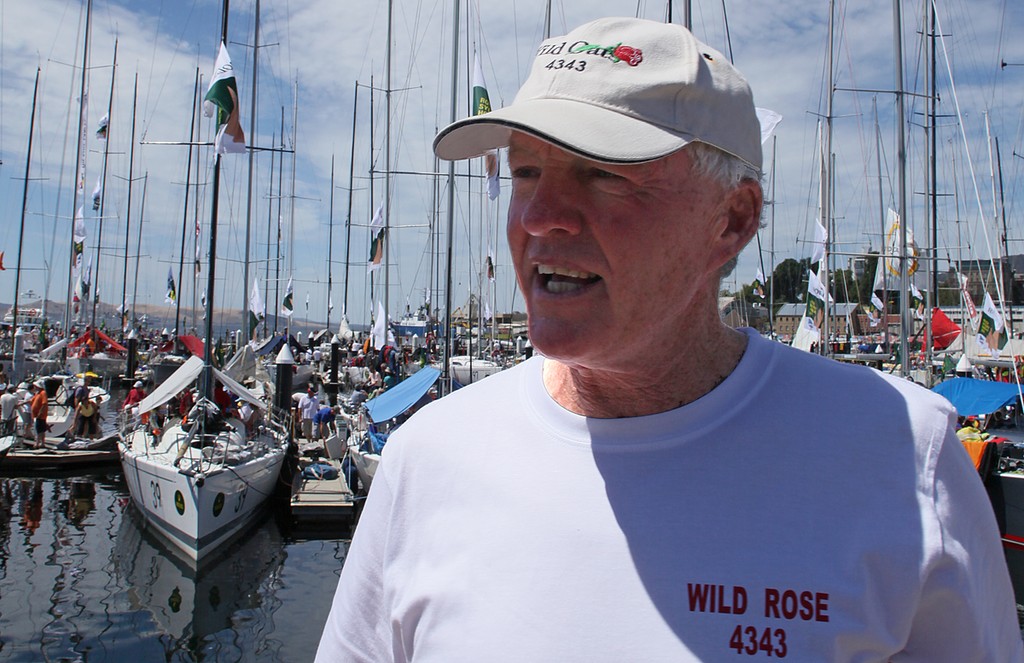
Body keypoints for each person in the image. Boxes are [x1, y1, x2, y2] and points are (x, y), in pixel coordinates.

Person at [316, 17, 1023, 662]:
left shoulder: (905, 455)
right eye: (526, 170)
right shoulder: (427, 460)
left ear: (733, 219)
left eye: (604, 173)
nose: (540, 217)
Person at [29, 381, 48, 449]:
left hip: (40, 415)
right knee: (41, 429)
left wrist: (40, 412)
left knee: (39, 429)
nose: (35, 387)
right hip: (37, 415)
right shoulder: (37, 394)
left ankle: (37, 443)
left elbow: (44, 403)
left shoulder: (43, 393)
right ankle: (42, 443)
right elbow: (31, 400)